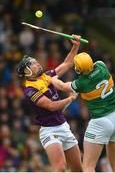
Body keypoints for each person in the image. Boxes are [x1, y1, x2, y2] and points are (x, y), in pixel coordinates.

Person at [16, 35, 83, 172]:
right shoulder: (30, 90)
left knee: (78, 169)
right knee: (61, 169)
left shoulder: (46, 76)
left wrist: (75, 46)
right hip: (49, 130)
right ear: (27, 71)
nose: (37, 63)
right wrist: (70, 99)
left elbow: (67, 64)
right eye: (33, 63)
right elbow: (51, 106)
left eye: (36, 61)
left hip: (63, 126)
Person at [51, 52, 115, 172]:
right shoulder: (101, 65)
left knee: (88, 166)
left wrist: (52, 79)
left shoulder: (82, 83)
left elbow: (64, 87)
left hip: (100, 122)